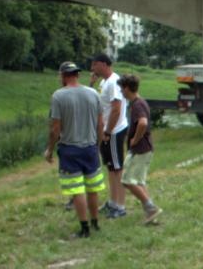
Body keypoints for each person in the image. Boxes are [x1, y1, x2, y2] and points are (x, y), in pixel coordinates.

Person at [45, 61, 106, 237]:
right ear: (78, 75)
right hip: (90, 148)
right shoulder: (93, 93)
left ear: (63, 76)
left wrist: (50, 149)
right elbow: (100, 122)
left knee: (77, 189)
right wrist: (98, 144)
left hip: (70, 149)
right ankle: (95, 222)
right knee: (92, 187)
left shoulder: (58, 96)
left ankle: (84, 228)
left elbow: (55, 128)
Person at [118, 74, 163, 225]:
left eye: (121, 89)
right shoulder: (139, 102)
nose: (121, 92)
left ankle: (151, 208)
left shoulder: (137, 105)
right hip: (146, 148)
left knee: (127, 180)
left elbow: (142, 123)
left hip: (140, 149)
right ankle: (151, 214)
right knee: (139, 181)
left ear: (126, 88)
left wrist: (134, 140)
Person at [89, 53, 128, 217]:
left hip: (114, 131)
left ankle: (120, 206)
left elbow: (116, 109)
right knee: (111, 168)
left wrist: (107, 132)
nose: (92, 68)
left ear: (104, 64)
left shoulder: (113, 82)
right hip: (107, 131)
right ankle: (112, 202)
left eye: (95, 64)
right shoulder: (104, 82)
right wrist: (91, 83)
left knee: (117, 169)